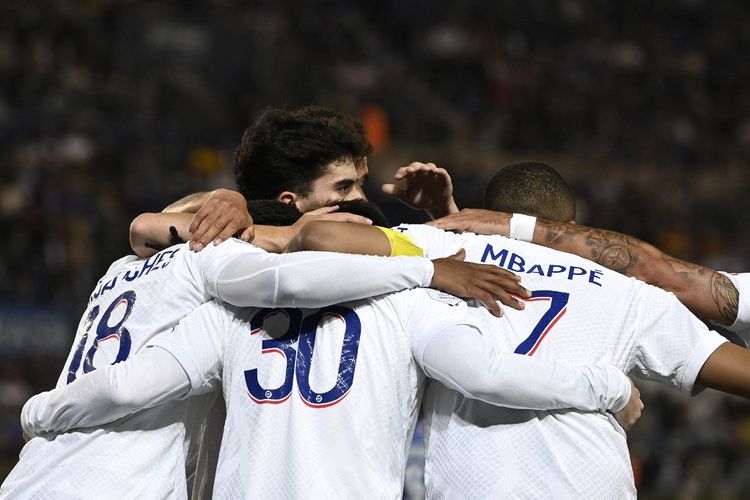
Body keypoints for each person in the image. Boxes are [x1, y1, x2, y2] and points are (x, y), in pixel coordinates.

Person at [0, 201, 523, 499]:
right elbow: (283, 284)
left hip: (37, 470)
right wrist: (427, 269)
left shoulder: (116, 271)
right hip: (115, 482)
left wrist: (45, 411)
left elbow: (142, 227)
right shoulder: (215, 267)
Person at [19, 272, 640, 499]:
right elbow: (488, 373)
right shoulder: (412, 300)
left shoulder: (227, 309)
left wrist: (42, 411)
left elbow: (129, 387)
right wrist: (608, 386)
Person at [428, 161, 750, 344]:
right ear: (571, 224)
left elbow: (660, 272)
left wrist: (495, 228)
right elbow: (662, 276)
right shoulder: (615, 298)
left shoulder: (442, 276)